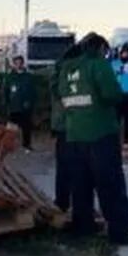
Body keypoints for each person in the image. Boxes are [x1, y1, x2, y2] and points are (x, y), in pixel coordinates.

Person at [58, 32, 128, 245]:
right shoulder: (98, 65)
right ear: (100, 48)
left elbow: (61, 96)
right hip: (101, 134)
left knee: (80, 186)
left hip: (73, 135)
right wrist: (125, 98)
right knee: (110, 184)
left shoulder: (66, 69)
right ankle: (120, 232)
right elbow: (111, 94)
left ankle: (83, 228)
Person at [50, 43, 81, 213]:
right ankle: (68, 202)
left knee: (63, 166)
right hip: (70, 124)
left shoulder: (58, 70)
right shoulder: (68, 72)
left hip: (62, 125)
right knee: (74, 166)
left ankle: (62, 201)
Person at [4, 55, 37, 149]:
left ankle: (26, 145)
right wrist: (7, 103)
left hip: (26, 106)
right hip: (13, 106)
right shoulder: (10, 77)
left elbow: (32, 91)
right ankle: (8, 144)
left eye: (20, 63)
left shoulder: (28, 77)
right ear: (13, 64)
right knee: (11, 127)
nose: (18, 65)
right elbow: (6, 91)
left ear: (23, 63)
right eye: (16, 63)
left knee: (26, 127)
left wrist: (31, 102)